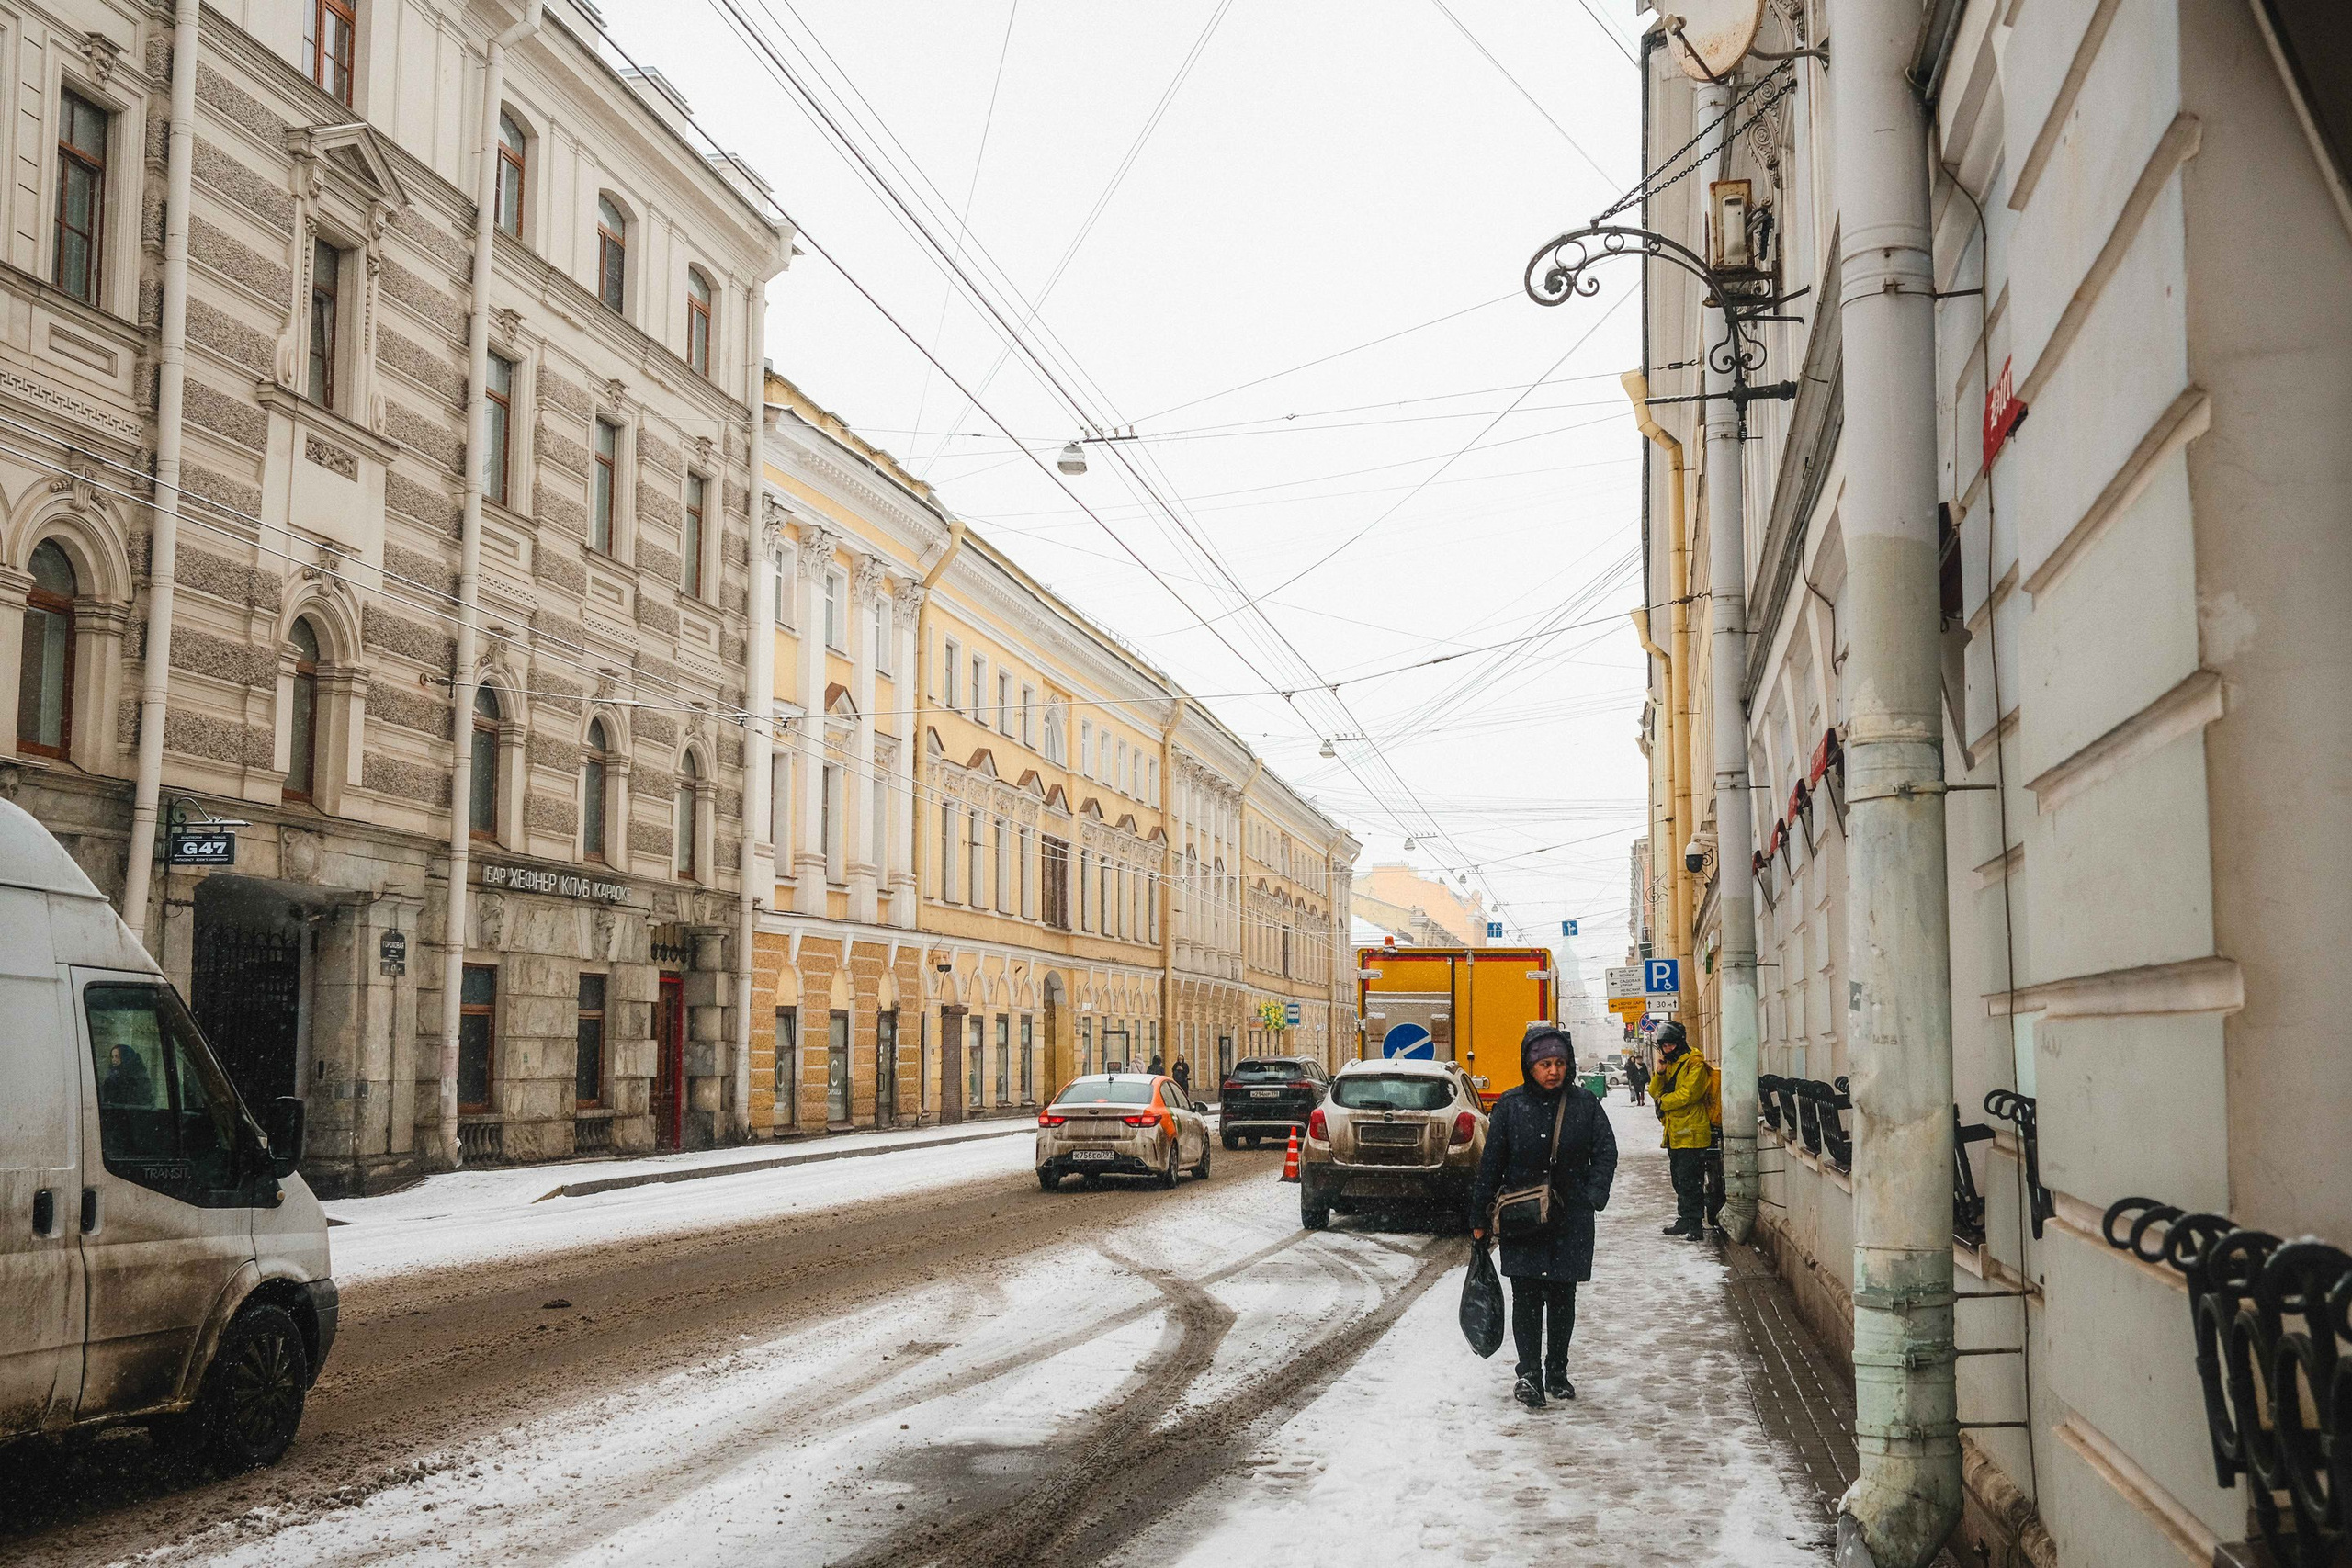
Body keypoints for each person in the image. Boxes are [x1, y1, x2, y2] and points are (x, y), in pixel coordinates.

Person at [1470, 1028, 1619, 1410]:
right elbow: (1491, 1165)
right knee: (1526, 1297)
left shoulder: (1584, 1103)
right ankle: (1529, 1374)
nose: (1553, 1071)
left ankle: (1557, 1372)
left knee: (1563, 1297)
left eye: (1559, 1063)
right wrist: (1479, 1217)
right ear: (1529, 1066)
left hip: (1571, 1218)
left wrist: (1593, 1194)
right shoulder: (1510, 1105)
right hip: (1523, 1219)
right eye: (1545, 1064)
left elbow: (1606, 1151)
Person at [1651, 1022, 1714, 1238]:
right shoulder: (1669, 1064)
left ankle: (1695, 1224)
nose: (1667, 1050)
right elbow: (1653, 1091)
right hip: (1674, 1133)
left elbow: (1690, 1094)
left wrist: (1664, 1101)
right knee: (1679, 1180)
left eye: (1670, 1045)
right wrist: (1660, 1072)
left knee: (1691, 1181)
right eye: (1664, 1046)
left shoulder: (1694, 1063)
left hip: (1693, 1132)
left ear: (1680, 1043)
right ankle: (1685, 1219)